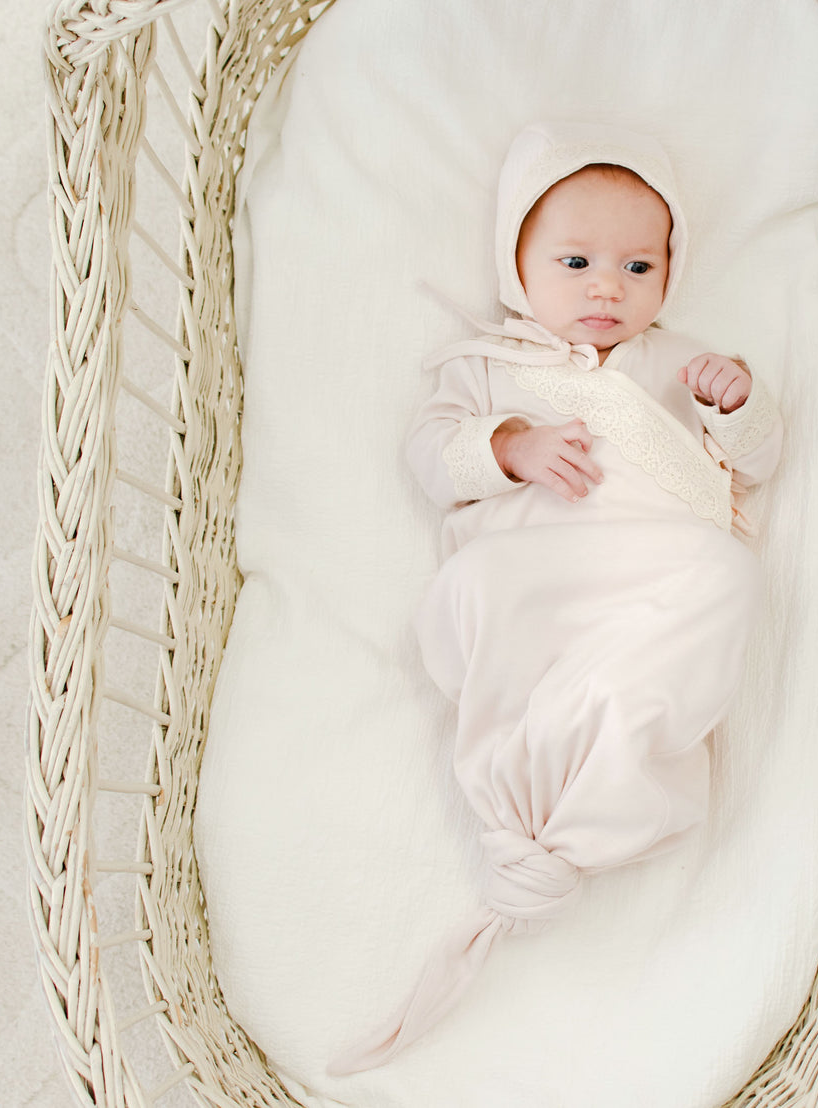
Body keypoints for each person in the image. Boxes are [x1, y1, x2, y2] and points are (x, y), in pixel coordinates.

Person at [327, 120, 782, 1076]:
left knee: (728, 575)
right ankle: (544, 768)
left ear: (669, 273)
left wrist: (734, 404)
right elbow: (430, 456)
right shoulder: (486, 366)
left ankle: (609, 757)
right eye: (575, 261)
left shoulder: (678, 360)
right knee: (473, 584)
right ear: (517, 262)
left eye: (638, 265)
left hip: (650, 568)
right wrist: (508, 446)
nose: (607, 287)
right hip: (535, 574)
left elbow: (756, 464)